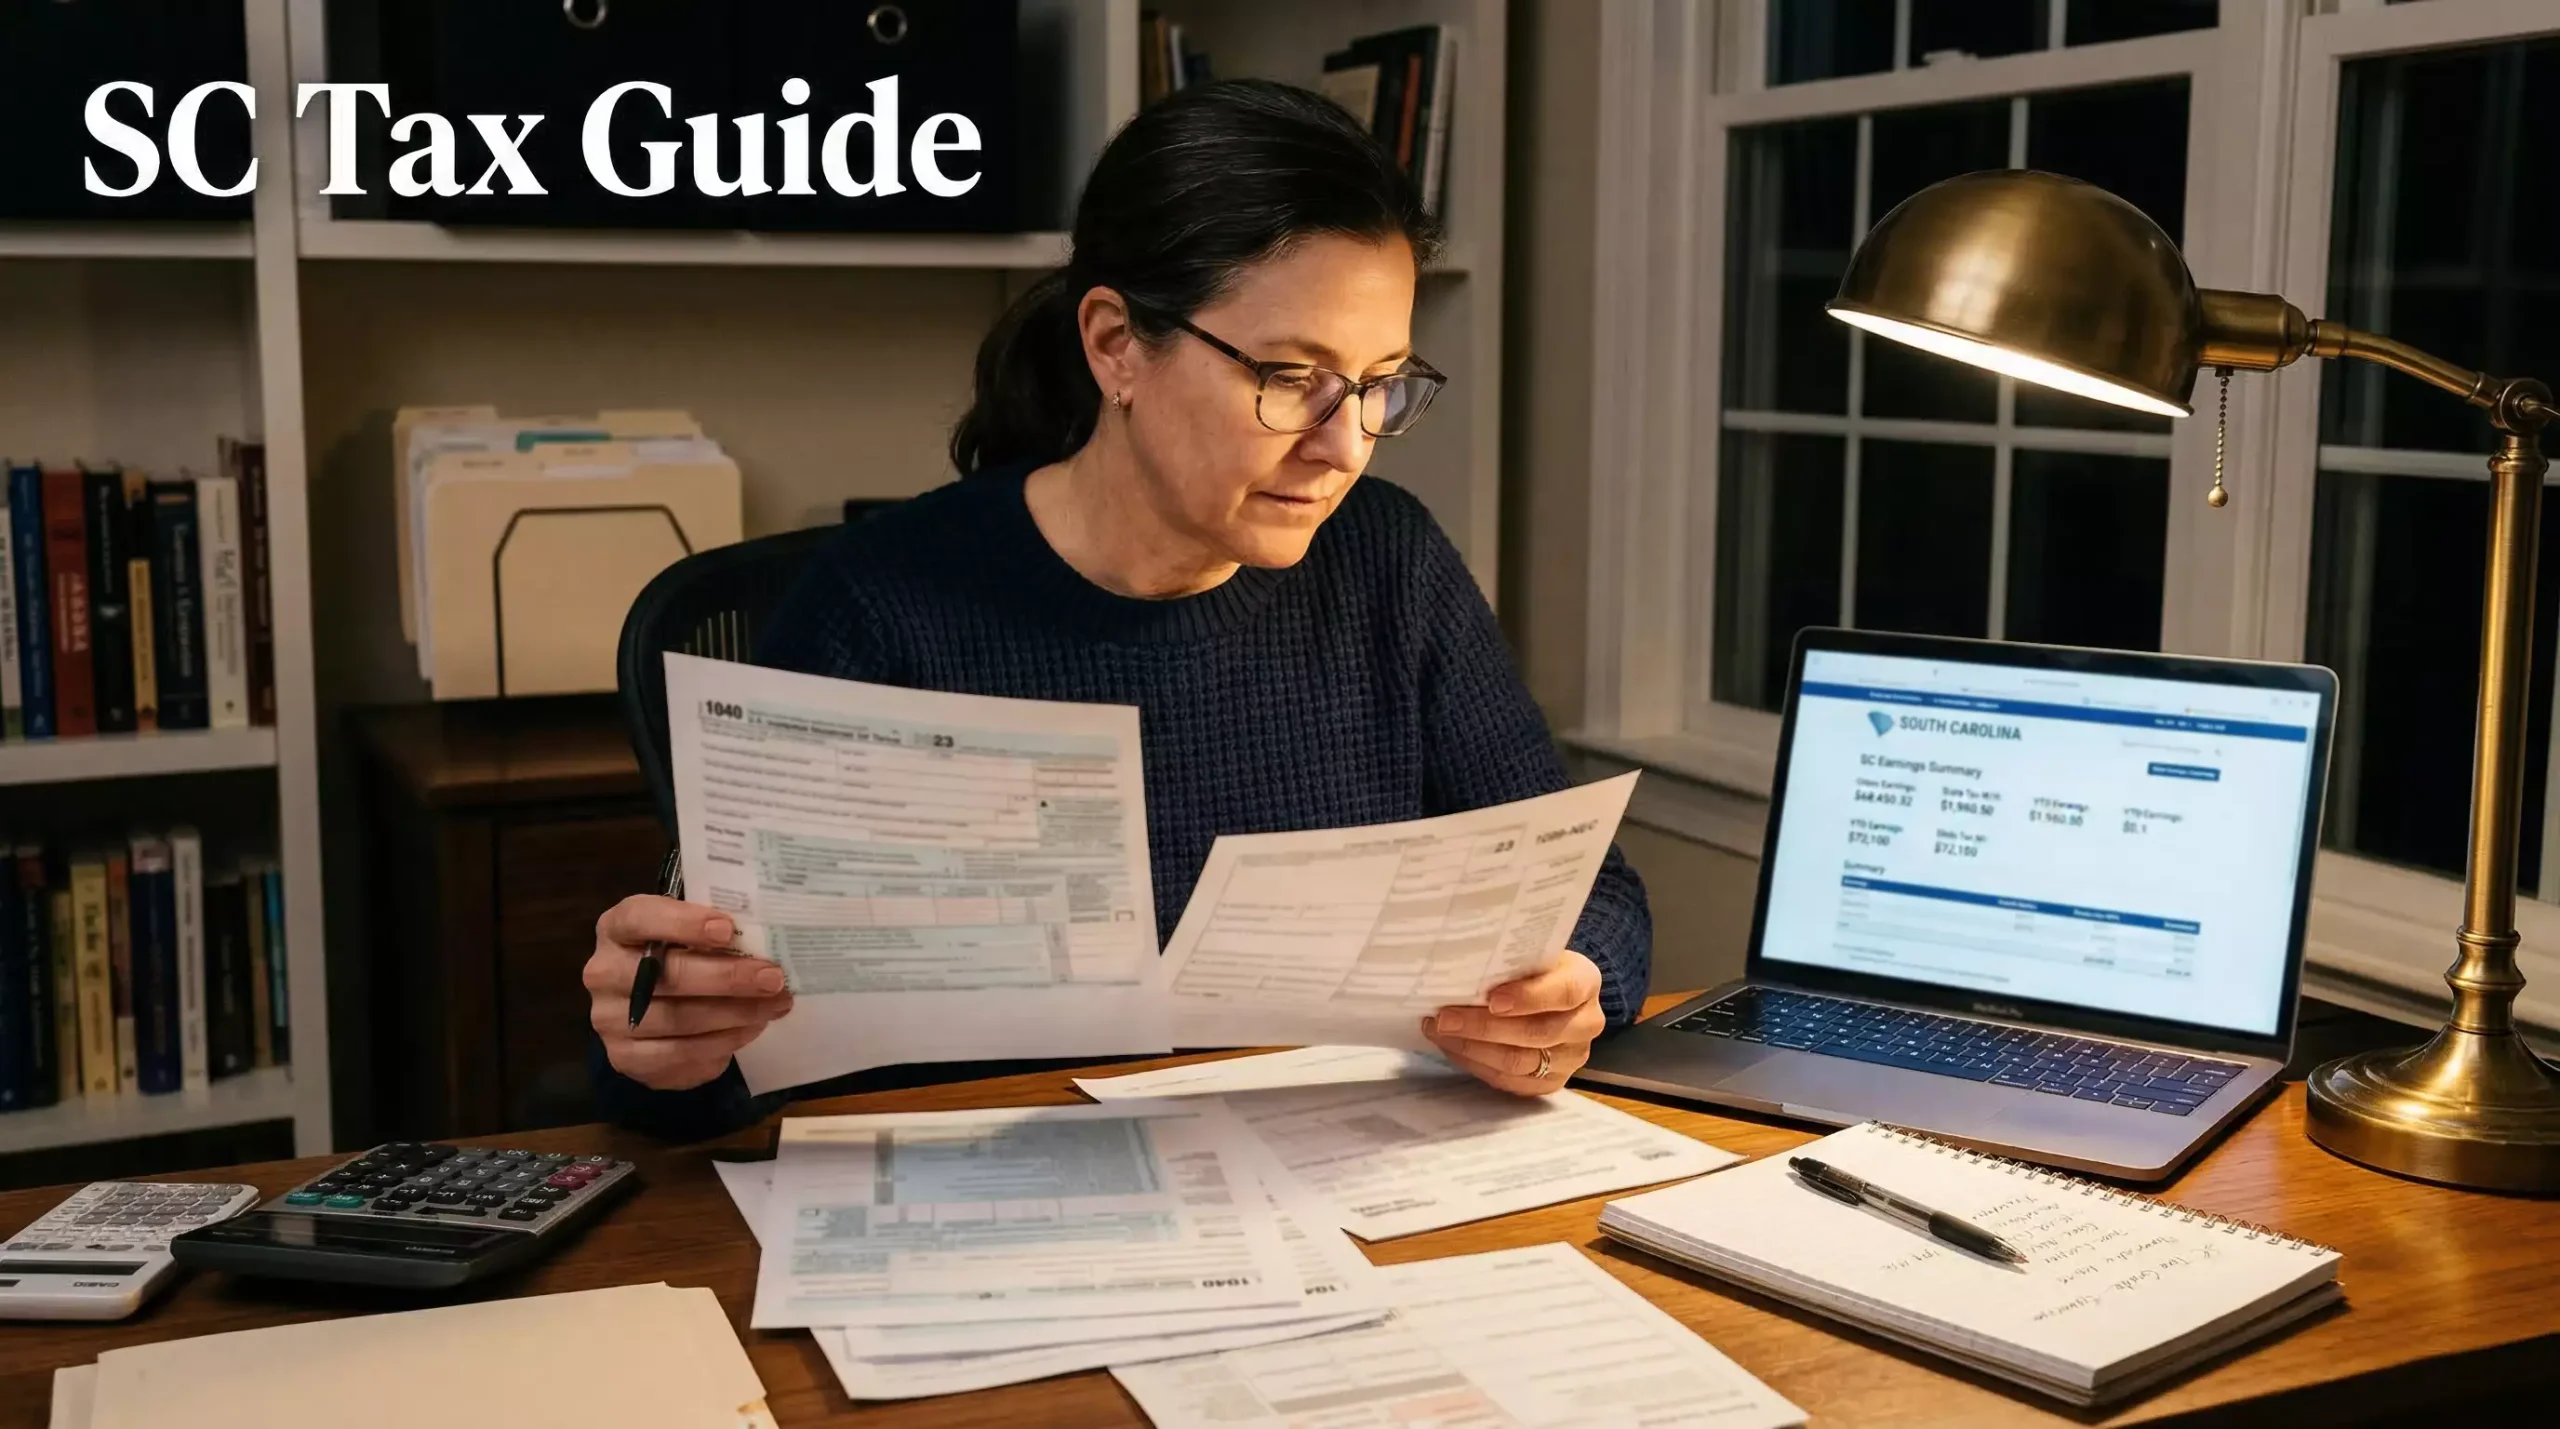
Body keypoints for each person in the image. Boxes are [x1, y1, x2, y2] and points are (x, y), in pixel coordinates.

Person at [583, 80, 1651, 1138]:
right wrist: (665, 1036)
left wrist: (1568, 988)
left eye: (1379, 383)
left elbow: (1592, 893)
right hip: (982, 1224)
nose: (1344, 444)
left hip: (1324, 1187)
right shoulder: (879, 607)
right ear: (1115, 346)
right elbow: (696, 1061)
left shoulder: (1389, 559)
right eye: (1291, 376)